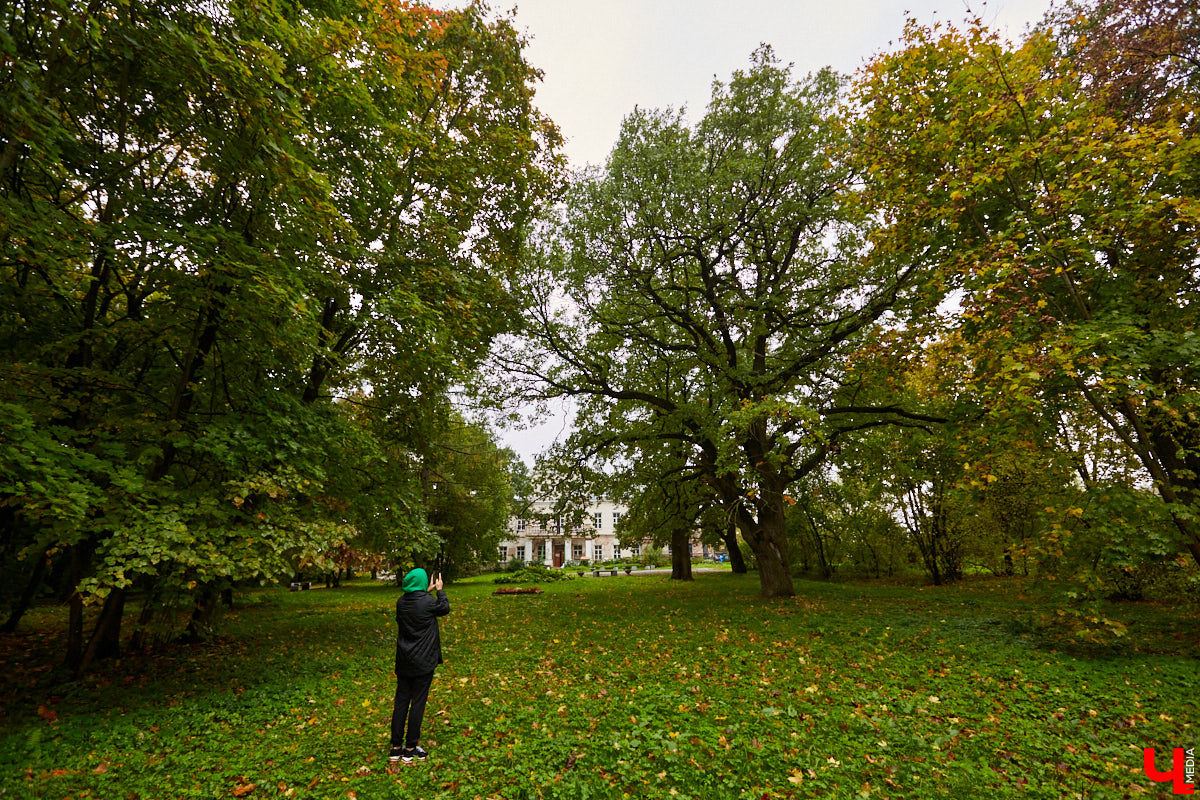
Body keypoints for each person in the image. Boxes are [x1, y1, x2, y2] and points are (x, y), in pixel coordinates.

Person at [389, 567, 449, 764]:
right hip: (423, 662)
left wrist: (426, 591)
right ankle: (410, 748)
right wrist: (439, 590)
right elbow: (444, 608)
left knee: (401, 701)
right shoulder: (429, 602)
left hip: (404, 661)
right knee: (418, 703)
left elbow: (418, 604)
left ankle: (396, 748)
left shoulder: (401, 602)